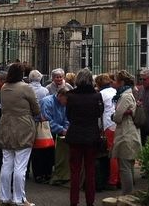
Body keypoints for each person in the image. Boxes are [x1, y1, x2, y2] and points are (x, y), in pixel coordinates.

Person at [0, 62, 40, 206]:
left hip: (6, 125)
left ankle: (4, 196)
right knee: (20, 166)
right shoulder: (25, 88)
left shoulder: (4, 88)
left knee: (7, 163)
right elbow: (36, 108)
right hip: (23, 126)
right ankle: (19, 198)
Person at [66, 68, 103, 206]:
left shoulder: (71, 96)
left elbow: (68, 115)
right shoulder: (96, 96)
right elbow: (99, 113)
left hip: (75, 135)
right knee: (90, 171)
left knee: (75, 171)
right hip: (91, 136)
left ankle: (74, 201)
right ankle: (90, 201)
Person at [111, 70, 142, 196]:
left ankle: (127, 195)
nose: (114, 83)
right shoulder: (129, 94)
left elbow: (117, 117)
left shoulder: (125, 96)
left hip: (126, 133)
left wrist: (114, 116)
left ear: (122, 82)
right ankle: (129, 194)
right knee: (128, 166)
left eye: (116, 80)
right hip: (129, 131)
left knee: (125, 167)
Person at [40, 88, 70, 185]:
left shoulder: (64, 104)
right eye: (66, 100)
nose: (66, 103)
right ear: (60, 96)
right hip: (46, 131)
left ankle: (52, 172)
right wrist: (62, 129)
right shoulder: (47, 102)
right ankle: (43, 174)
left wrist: (65, 129)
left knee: (54, 152)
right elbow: (47, 121)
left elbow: (66, 118)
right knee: (45, 152)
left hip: (58, 129)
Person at [96, 73, 119, 189]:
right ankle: (120, 178)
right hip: (117, 123)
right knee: (119, 152)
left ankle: (113, 180)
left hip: (108, 125)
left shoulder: (100, 94)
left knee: (112, 153)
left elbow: (99, 113)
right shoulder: (115, 91)